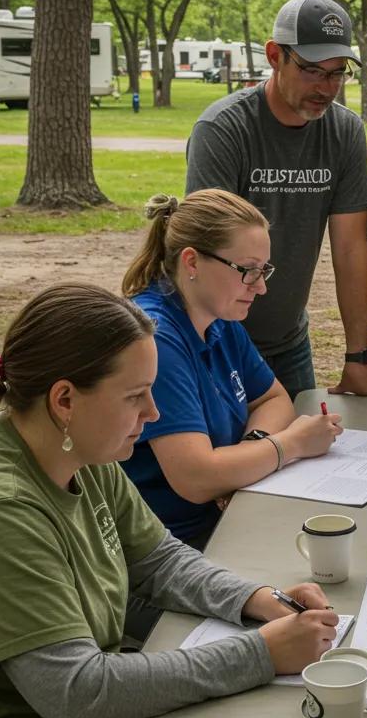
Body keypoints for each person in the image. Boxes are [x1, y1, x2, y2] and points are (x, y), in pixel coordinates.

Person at [0, 283, 340, 718]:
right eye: (136, 396)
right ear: (65, 399)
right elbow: (78, 692)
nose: (153, 414)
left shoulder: (78, 447)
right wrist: (261, 653)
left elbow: (157, 559)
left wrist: (256, 600)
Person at [186, 0, 367, 400]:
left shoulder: (344, 133)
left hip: (290, 342)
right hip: (219, 339)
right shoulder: (223, 129)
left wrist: (359, 356)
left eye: (337, 73)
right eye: (311, 70)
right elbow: (207, 252)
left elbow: (349, 248)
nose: (326, 87)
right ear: (275, 55)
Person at [120, 191, 343, 549]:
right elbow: (196, 478)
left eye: (264, 269)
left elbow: (273, 398)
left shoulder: (216, 317)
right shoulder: (156, 338)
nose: (261, 286)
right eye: (248, 270)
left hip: (222, 522)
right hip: (171, 548)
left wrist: (248, 456)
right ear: (191, 263)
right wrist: (291, 444)